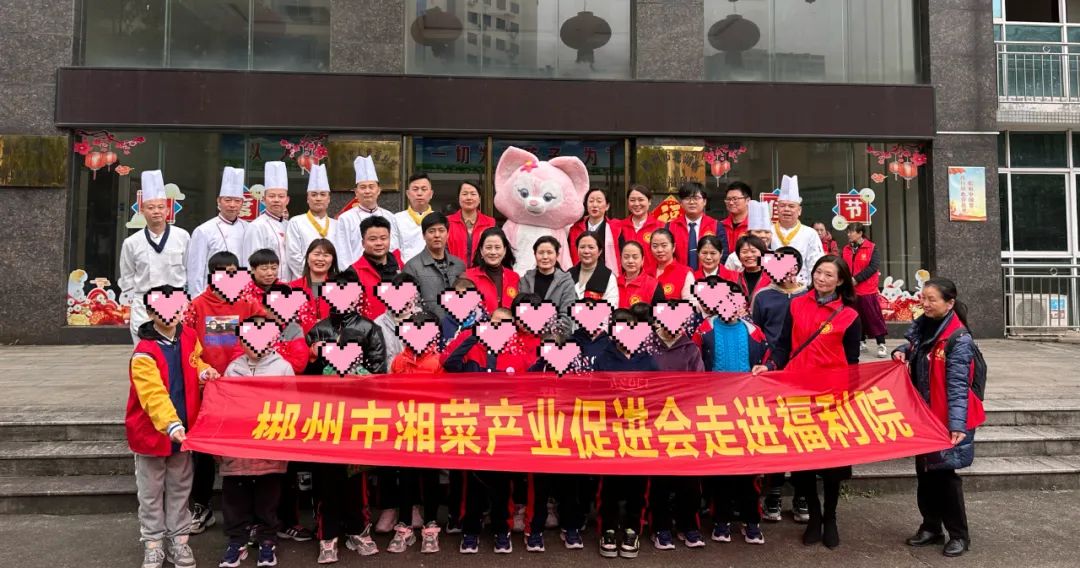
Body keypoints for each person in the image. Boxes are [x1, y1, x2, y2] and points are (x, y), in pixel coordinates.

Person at [754, 255, 862, 550]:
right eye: (818, 272)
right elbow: (783, 345)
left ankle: (831, 517)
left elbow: (852, 361)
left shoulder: (849, 315)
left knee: (831, 463)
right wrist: (770, 365)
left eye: (829, 275)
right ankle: (814, 516)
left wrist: (850, 395)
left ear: (840, 281)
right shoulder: (797, 304)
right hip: (798, 392)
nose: (821, 278)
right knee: (802, 459)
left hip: (831, 396)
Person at [127, 284, 217, 568]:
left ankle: (179, 541)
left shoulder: (189, 335)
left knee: (180, 488)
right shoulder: (144, 352)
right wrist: (171, 424)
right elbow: (152, 394)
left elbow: (195, 361)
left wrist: (204, 372)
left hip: (184, 430)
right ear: (150, 312)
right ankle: (153, 543)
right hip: (152, 433)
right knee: (151, 492)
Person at [894, 278, 985, 558]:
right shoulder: (925, 325)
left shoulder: (959, 339)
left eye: (932, 299)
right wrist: (902, 350)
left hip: (948, 418)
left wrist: (957, 424)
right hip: (925, 414)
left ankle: (959, 535)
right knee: (925, 473)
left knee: (945, 477)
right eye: (923, 298)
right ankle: (931, 527)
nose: (925, 303)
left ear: (949, 303)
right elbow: (915, 345)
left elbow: (958, 386)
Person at [305, 269, 387, 564]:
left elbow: (379, 372)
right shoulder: (318, 329)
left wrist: (357, 374)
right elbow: (305, 378)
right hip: (325, 415)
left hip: (357, 415)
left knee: (356, 478)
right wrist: (313, 359)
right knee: (326, 478)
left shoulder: (369, 329)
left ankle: (358, 530)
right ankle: (327, 535)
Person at [181, 250, 262, 535]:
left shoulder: (249, 303)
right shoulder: (196, 306)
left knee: (245, 449)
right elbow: (187, 346)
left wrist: (240, 370)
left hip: (242, 388)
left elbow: (261, 336)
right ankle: (202, 507)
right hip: (208, 388)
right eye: (222, 273)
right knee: (203, 451)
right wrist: (204, 372)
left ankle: (250, 515)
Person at [217, 319, 294, 568]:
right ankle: (237, 541)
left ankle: (267, 540)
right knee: (235, 497)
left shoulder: (283, 368)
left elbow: (293, 406)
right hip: (238, 447)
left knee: (267, 497)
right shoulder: (233, 368)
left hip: (269, 446)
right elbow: (223, 406)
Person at [700, 282, 769, 546]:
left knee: (749, 470)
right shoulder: (704, 330)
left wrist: (767, 367)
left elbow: (768, 361)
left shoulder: (754, 332)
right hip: (715, 410)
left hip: (747, 411)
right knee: (720, 470)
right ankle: (721, 520)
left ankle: (751, 520)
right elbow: (695, 366)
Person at [592, 308, 658, 559]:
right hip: (610, 433)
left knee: (637, 487)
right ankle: (608, 530)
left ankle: (632, 529)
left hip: (640, 434)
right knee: (608, 486)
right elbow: (593, 395)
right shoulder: (603, 359)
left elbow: (658, 397)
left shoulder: (648, 361)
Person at [747, 246, 807, 523]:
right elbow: (756, 333)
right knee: (775, 433)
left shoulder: (808, 295)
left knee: (801, 434)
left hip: (803, 373)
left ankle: (802, 494)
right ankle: (773, 492)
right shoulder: (762, 296)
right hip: (771, 372)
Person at [387, 311, 445, 554]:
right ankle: (404, 525)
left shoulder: (439, 361)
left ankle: (431, 526)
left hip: (431, 428)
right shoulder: (399, 361)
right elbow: (390, 392)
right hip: (406, 427)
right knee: (406, 479)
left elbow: (446, 395)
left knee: (431, 478)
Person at [119, 170, 191, 344]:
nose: (156, 212)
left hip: (175, 302)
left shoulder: (182, 237)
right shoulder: (131, 242)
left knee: (177, 349)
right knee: (145, 350)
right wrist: (130, 303)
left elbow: (190, 269)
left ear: (168, 210)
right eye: (150, 208)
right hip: (143, 305)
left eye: (160, 207)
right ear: (142, 210)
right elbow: (127, 277)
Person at [187, 167, 249, 297]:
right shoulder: (204, 230)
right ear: (219, 201)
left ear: (242, 203)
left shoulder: (248, 228)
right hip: (212, 294)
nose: (232, 205)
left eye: (237, 201)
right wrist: (197, 299)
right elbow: (195, 269)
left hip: (241, 293)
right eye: (228, 200)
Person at [337, 155, 402, 267]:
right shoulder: (345, 219)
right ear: (356, 192)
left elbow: (395, 248)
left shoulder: (390, 216)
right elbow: (343, 253)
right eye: (363, 187)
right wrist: (350, 275)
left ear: (378, 190)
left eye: (371, 187)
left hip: (386, 272)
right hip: (357, 273)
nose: (367, 191)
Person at [402, 212, 465, 321]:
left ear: (448, 234)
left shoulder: (458, 265)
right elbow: (411, 306)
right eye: (431, 231)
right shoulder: (412, 267)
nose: (437, 235)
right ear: (423, 235)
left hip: (459, 327)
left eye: (441, 230)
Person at [843, 222, 889, 358]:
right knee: (855, 317)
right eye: (848, 232)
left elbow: (873, 267)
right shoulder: (846, 249)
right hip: (851, 290)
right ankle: (861, 341)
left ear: (860, 233)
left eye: (851, 232)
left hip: (867, 290)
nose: (848, 234)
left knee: (873, 317)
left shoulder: (871, 247)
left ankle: (881, 343)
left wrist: (856, 279)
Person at [243, 161, 292, 281]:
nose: (276, 200)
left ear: (287, 200)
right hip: (266, 287)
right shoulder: (256, 226)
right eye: (272, 196)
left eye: (281, 196)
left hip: (289, 285)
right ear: (264, 199)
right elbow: (251, 263)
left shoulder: (290, 226)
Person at [770, 175, 823, 285]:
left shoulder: (810, 233)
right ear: (777, 209)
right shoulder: (768, 232)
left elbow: (816, 263)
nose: (786, 209)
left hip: (802, 287)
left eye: (791, 206)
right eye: (782, 206)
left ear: (799, 210)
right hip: (773, 287)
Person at [518, 236, 576, 333]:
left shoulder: (566, 282)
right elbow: (519, 312)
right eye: (541, 253)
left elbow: (567, 320)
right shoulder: (525, 280)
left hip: (555, 338)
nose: (545, 257)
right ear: (535, 254)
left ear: (557, 255)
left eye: (549, 252)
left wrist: (539, 327)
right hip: (527, 336)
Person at [351, 215, 404, 321]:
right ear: (363, 243)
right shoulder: (353, 273)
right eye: (373, 239)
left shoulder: (401, 266)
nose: (379, 243)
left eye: (383, 238)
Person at [667, 181, 725, 271]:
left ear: (704, 201)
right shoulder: (671, 226)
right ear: (681, 202)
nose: (692, 202)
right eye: (687, 198)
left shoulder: (716, 225)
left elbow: (723, 255)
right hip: (679, 275)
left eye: (696, 198)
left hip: (708, 276)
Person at [289, 238, 339, 336]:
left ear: (333, 260)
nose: (320, 259)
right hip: (301, 342)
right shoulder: (292, 288)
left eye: (326, 255)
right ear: (307, 258)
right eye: (316, 254)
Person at [464, 227, 520, 315]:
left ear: (505, 250)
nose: (493, 252)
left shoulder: (514, 277)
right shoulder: (468, 277)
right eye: (488, 247)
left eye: (497, 247)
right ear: (481, 251)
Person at [568, 188, 621, 274]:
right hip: (580, 275)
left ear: (607, 206)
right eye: (591, 201)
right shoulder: (575, 229)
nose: (595, 205)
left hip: (607, 275)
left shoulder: (617, 228)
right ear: (586, 205)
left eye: (599, 201)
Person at [447, 181, 496, 268]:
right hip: (454, 273)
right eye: (465, 194)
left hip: (482, 273)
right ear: (458, 198)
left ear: (479, 199)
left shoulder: (490, 223)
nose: (469, 197)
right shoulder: (447, 222)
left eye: (473, 194)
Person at [619, 184, 663, 275]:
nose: (636, 204)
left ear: (649, 201)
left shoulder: (661, 226)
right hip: (626, 279)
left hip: (653, 278)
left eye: (641, 200)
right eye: (632, 200)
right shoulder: (620, 227)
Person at [393, 172, 435, 263]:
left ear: (431, 194)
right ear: (408, 194)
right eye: (415, 189)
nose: (419, 193)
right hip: (405, 268)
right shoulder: (396, 219)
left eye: (424, 189)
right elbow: (393, 249)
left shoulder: (438, 219)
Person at [569, 231, 619, 307]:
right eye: (582, 247)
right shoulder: (568, 274)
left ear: (600, 251)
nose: (586, 251)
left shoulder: (608, 276)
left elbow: (611, 307)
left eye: (591, 247)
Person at [617, 241, 665, 308]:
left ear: (642, 260)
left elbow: (661, 313)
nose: (630, 261)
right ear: (621, 259)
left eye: (635, 257)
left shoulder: (653, 285)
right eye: (626, 257)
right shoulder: (614, 283)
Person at [649, 228, 693, 300]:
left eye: (664, 245)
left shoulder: (685, 273)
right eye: (655, 246)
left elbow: (691, 304)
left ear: (673, 247)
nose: (659, 250)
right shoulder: (645, 273)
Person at [733, 235, 772, 304]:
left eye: (753, 251)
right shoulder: (733, 278)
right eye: (744, 252)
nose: (749, 255)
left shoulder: (772, 279)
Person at [720, 182, 752, 260]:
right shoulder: (720, 226)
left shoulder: (755, 227)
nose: (731, 203)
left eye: (735, 199)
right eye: (728, 199)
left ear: (747, 200)